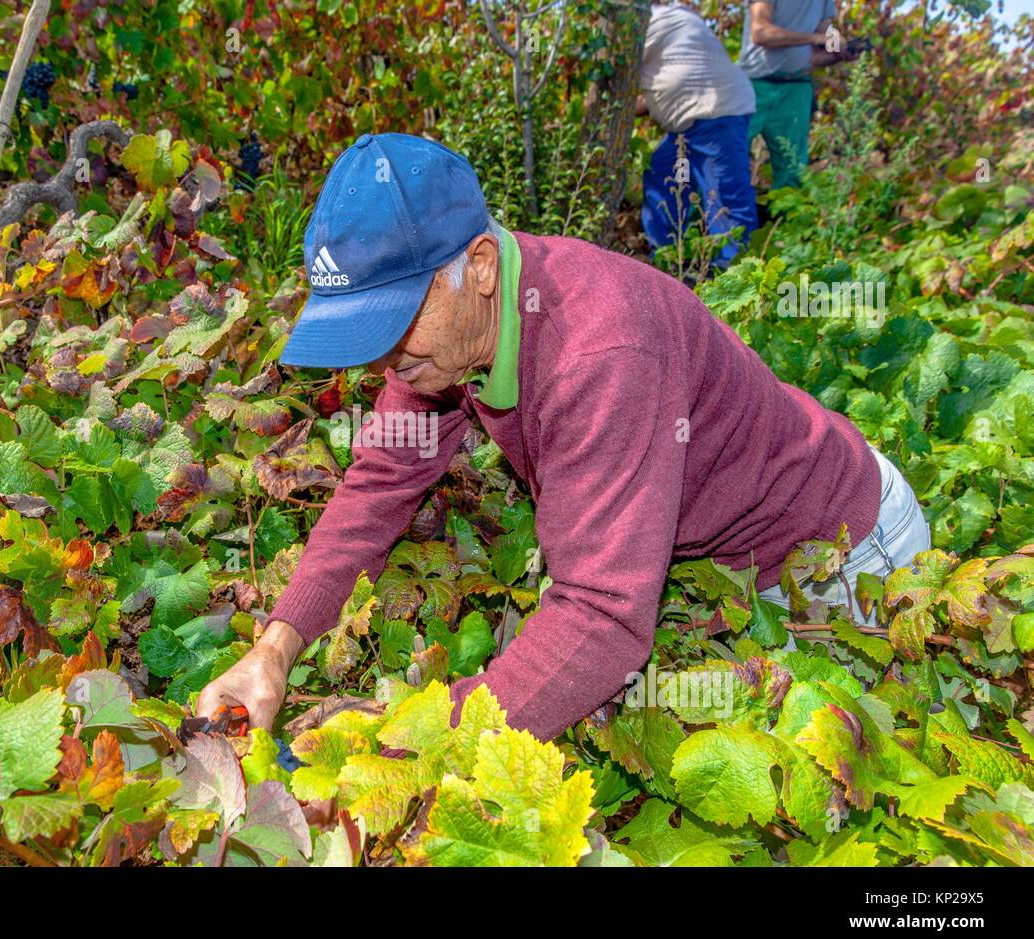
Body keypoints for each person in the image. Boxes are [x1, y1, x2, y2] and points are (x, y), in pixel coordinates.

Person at [197, 133, 929, 742]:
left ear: (478, 267)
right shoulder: (442, 342)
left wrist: (411, 739)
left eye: (393, 321)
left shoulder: (602, 351)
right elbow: (381, 482)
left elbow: (605, 615)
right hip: (728, 573)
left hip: (845, 561)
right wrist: (274, 648)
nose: (381, 359)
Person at [639, 1, 758, 269]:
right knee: (664, 176)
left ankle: (733, 276)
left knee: (725, 195)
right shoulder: (676, 19)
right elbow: (669, 79)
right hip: (689, 125)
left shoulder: (650, 21)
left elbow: (618, 66)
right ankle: (667, 259)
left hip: (718, 115)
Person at [738, 0, 862, 191]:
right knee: (727, 156)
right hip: (754, 85)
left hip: (797, 85)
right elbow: (760, 33)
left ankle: (785, 219)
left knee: (793, 169)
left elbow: (820, 41)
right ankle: (698, 217)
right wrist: (814, 38)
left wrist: (839, 52)